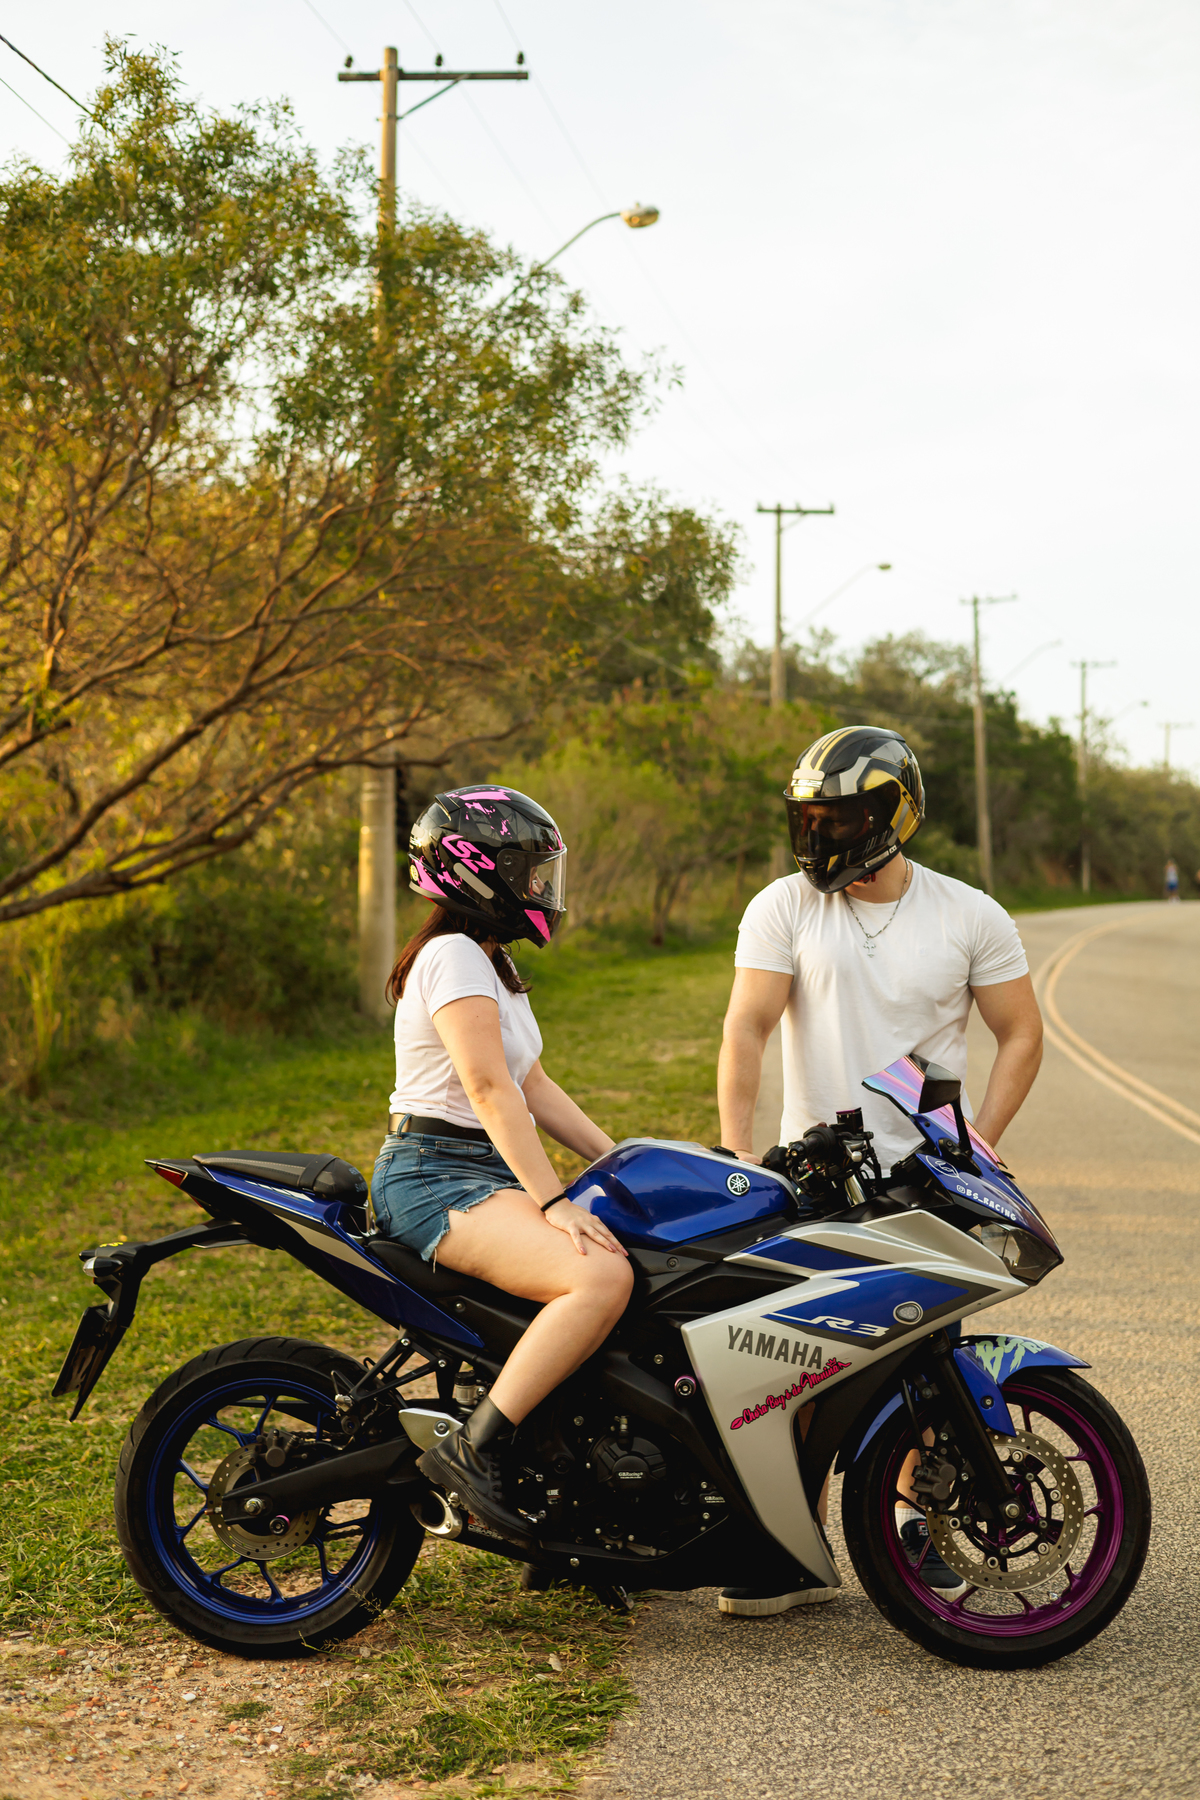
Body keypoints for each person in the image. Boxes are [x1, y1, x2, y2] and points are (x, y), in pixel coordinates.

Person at [716, 726, 1044, 1618]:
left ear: (893, 814)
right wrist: (740, 1152)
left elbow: (1021, 1035)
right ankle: (783, 1549)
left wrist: (982, 1134)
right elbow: (747, 1027)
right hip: (808, 1174)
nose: (820, 837)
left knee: (922, 1358)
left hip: (928, 1175)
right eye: (809, 818)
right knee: (800, 1366)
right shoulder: (782, 906)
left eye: (840, 817)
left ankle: (918, 1529)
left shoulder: (970, 914)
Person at [371, 785, 631, 1540]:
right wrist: (553, 1202)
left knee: (626, 1256)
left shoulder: (494, 963)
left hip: (475, 1171)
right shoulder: (452, 955)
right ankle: (473, 1453)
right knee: (599, 1274)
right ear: (480, 873)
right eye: (531, 872)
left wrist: (622, 1162)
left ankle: (562, 1505)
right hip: (432, 1174)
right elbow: (486, 1088)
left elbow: (533, 1084)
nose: (544, 888)